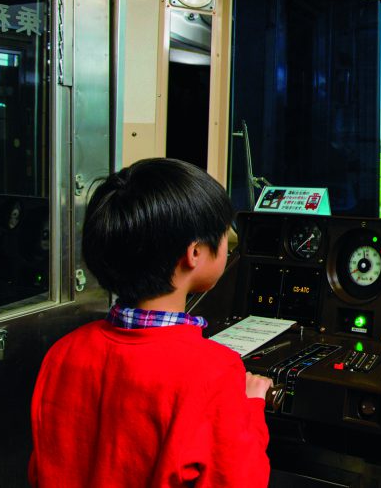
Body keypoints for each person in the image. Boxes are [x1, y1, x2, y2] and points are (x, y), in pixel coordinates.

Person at [28, 158, 272, 487]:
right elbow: (240, 480)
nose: (228, 245)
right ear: (195, 253)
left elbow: (43, 467)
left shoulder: (63, 352)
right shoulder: (214, 371)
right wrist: (252, 406)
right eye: (224, 236)